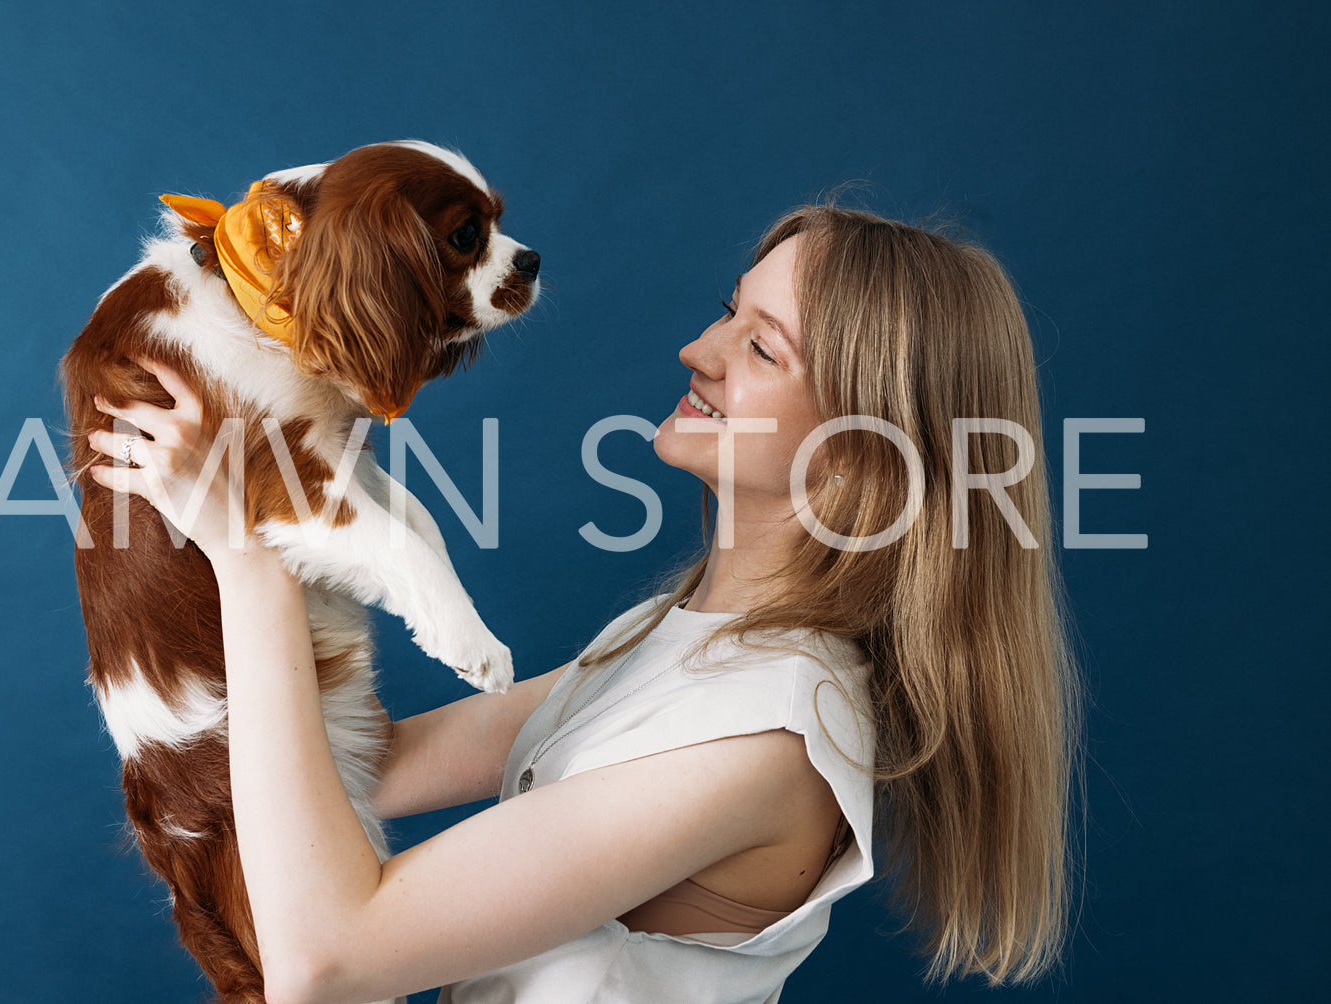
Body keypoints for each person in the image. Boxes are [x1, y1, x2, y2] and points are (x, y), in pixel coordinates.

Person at [87, 202, 1081, 1003]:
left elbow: (325, 961)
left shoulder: (769, 735)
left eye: (761, 348)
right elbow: (368, 763)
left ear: (866, 443)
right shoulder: (672, 640)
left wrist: (245, 545)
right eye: (727, 311)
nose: (698, 348)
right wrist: (269, 423)